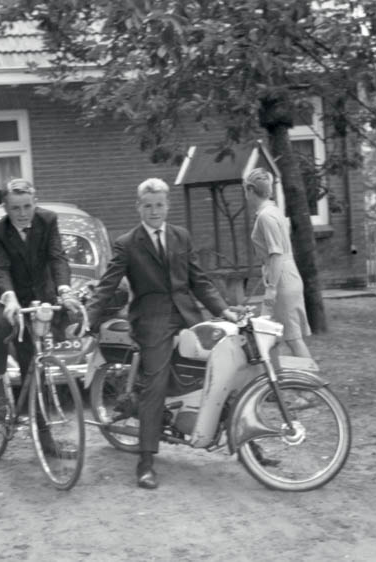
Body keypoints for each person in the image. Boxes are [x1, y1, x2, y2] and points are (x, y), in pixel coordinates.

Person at [87, 177, 238, 489]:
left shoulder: (181, 237)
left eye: (159, 205)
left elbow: (199, 280)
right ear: (138, 207)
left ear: (168, 206)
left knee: (223, 363)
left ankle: (246, 443)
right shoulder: (127, 243)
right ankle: (146, 460)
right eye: (148, 205)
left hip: (186, 315)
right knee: (155, 381)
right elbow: (108, 284)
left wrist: (223, 311)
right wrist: (89, 319)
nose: (154, 211)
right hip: (151, 319)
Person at [0, 178, 81, 455]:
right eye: (15, 208)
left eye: (27, 206)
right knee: (3, 326)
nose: (22, 213)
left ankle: (39, 428)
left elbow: (57, 257)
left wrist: (64, 290)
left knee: (34, 362)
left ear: (35, 204)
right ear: (6, 208)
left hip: (38, 292)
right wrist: (9, 296)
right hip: (3, 291)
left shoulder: (47, 221)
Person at [244, 168, 312, 358]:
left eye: (246, 191)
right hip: (282, 275)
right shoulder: (272, 212)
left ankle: (311, 385)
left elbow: (276, 254)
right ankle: (275, 383)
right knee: (267, 335)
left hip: (281, 280)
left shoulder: (266, 216)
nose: (246, 196)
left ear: (250, 190)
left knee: (292, 338)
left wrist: (272, 288)